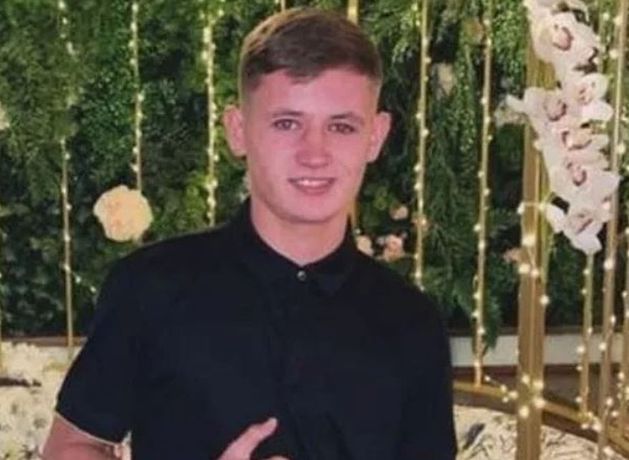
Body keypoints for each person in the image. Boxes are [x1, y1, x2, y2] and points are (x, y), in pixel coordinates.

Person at [43, 7, 456, 460]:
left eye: (341, 126)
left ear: (375, 136)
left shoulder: (412, 323)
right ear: (238, 131)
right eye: (287, 123)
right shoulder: (150, 288)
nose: (314, 154)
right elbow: (71, 448)